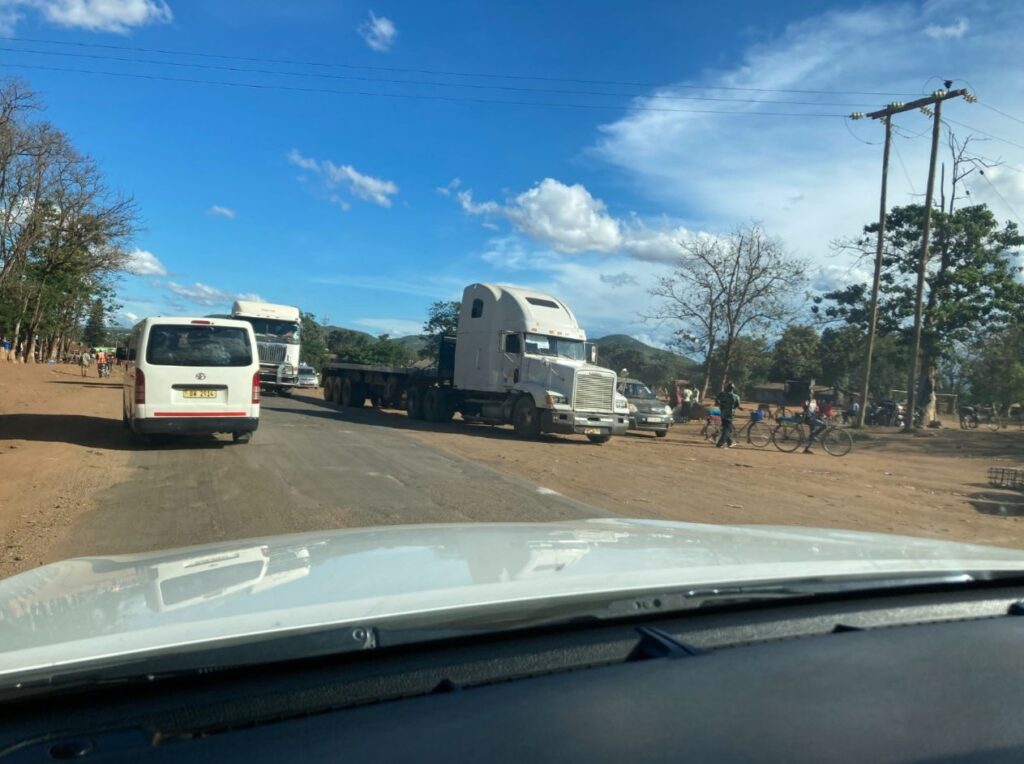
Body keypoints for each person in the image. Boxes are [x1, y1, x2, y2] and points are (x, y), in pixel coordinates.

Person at [715, 382, 741, 448]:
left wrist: (721, 404)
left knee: (727, 429)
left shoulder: (721, 394)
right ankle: (720, 443)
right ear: (733, 389)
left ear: (726, 388)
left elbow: (716, 402)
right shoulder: (736, 396)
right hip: (730, 415)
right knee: (727, 430)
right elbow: (737, 406)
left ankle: (730, 442)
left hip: (722, 413)